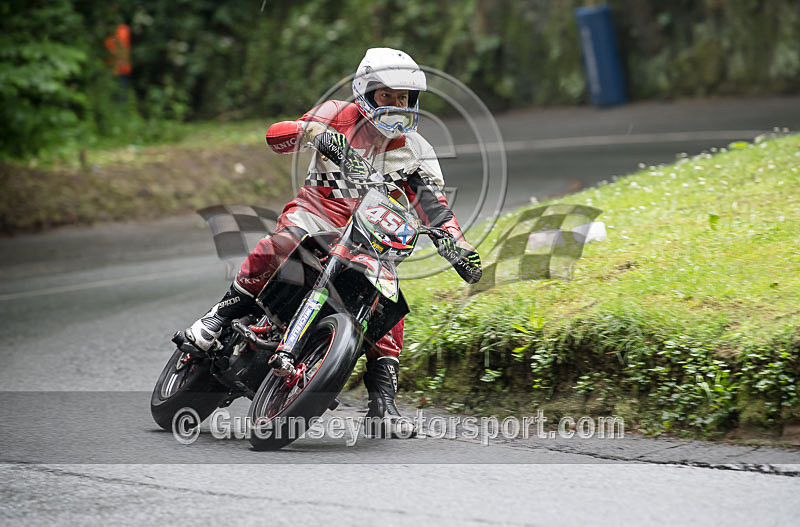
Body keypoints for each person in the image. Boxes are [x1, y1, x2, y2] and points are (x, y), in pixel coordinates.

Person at [182, 48, 482, 435]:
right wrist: (318, 135)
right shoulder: (337, 113)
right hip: (316, 216)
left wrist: (456, 245)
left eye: (404, 98)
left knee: (387, 299)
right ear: (365, 92)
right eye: (386, 96)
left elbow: (435, 208)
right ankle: (218, 316)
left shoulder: (417, 150)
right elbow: (278, 136)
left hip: (370, 237)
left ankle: (383, 402)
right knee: (283, 242)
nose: (396, 106)